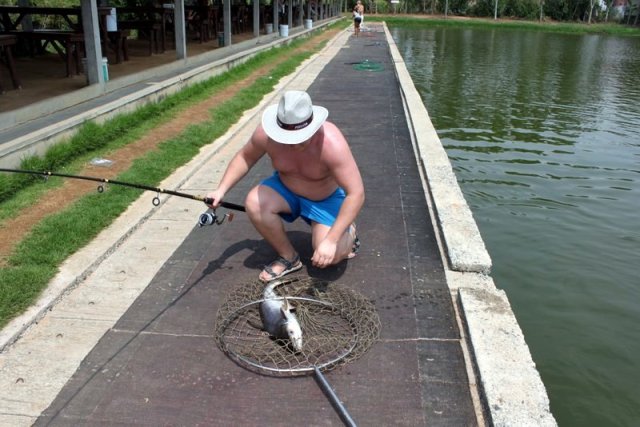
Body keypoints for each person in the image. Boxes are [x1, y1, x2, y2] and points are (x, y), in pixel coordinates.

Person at [206, 91, 365, 283]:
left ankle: (349, 232)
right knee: (254, 202)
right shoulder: (266, 134)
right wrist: (221, 189)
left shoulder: (332, 143)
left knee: (329, 256)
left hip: (325, 199)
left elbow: (356, 193)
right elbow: (244, 157)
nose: (293, 144)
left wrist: (331, 241)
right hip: (287, 189)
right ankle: (289, 257)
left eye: (300, 138)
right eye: (287, 138)